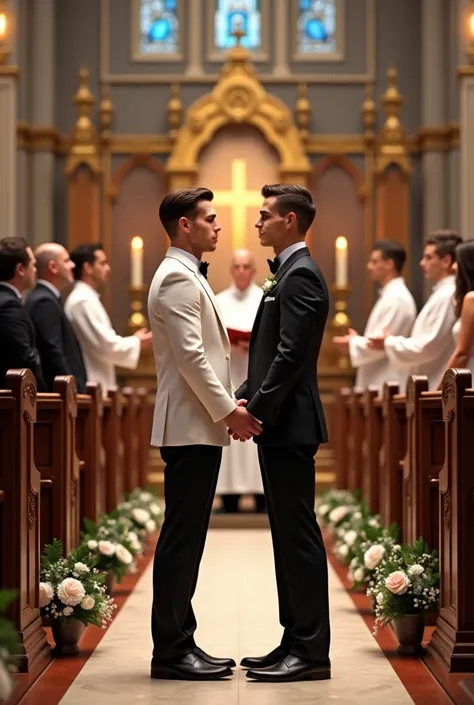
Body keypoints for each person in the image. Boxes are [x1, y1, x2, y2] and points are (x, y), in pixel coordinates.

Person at [147, 188, 262, 681]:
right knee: (181, 539)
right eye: (210, 219)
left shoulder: (187, 271)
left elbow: (201, 355)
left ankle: (182, 639)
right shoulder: (175, 276)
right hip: (191, 424)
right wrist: (227, 412)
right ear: (184, 226)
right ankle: (171, 651)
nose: (218, 226)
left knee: (188, 537)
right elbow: (192, 357)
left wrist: (228, 401)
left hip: (199, 421)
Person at [236, 184, 331, 683]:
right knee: (285, 536)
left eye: (265, 215)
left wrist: (260, 410)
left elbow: (293, 356)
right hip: (281, 421)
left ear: (290, 221)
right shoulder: (289, 274)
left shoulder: (300, 276)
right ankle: (293, 639)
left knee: (298, 538)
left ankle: (312, 652)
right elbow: (272, 353)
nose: (258, 222)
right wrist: (243, 394)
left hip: (290, 424)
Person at [368, 231, 462, 390]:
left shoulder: (446, 295)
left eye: (428, 257)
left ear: (446, 261)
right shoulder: (442, 294)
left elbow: (427, 347)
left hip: (434, 386)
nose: (422, 263)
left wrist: (389, 342)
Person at [64, 243, 152, 395]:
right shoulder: (82, 301)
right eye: (102, 263)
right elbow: (104, 344)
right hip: (91, 385)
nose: (108, 269)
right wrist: (137, 341)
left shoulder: (87, 298)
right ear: (88, 268)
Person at [215, 249, 265, 513]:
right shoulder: (219, 301)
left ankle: (261, 496)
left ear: (254, 270)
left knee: (257, 429)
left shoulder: (265, 299)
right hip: (230, 375)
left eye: (247, 266)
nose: (242, 271)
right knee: (231, 436)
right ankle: (229, 497)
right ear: (231, 270)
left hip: (258, 378)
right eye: (237, 266)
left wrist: (255, 344)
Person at [333, 241, 416, 391]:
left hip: (386, 383)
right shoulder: (390, 295)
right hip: (379, 380)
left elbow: (380, 343)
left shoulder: (397, 298)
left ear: (389, 264)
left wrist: (353, 343)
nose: (369, 266)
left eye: (374, 261)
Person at [26, 243, 87, 393]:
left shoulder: (47, 298)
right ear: (53, 267)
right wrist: (71, 389)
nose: (72, 265)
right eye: (66, 261)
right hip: (60, 396)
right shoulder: (44, 301)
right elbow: (53, 350)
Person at [0, 237, 46, 391]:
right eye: (33, 265)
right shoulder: (9, 306)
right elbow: (24, 358)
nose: (35, 269)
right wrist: (46, 397)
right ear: (20, 269)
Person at [437, 239, 474, 386]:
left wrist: (440, 390)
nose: (453, 267)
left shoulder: (471, 299)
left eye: (457, 262)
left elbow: (461, 354)